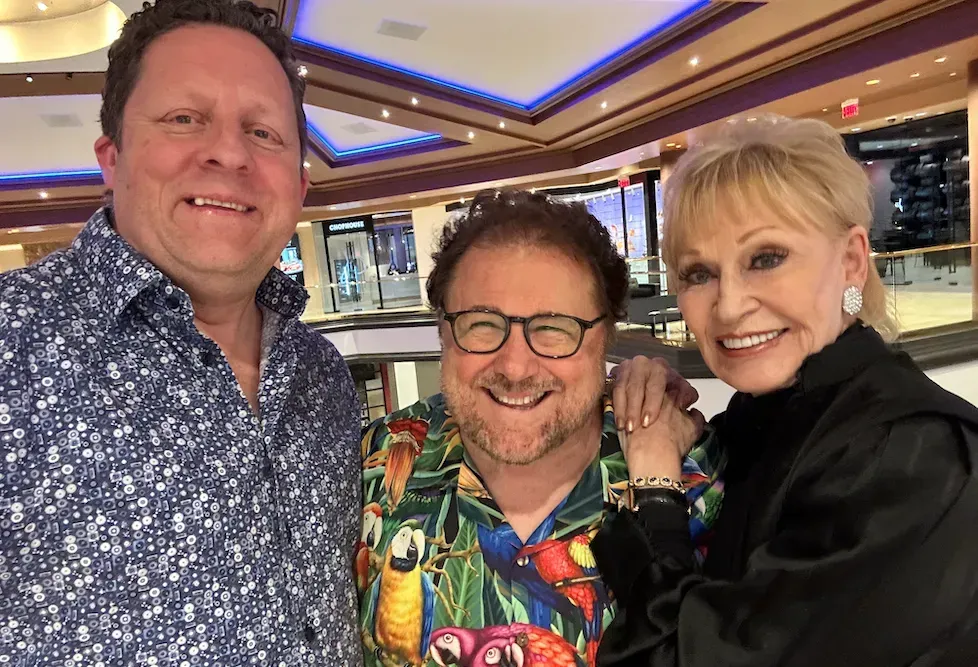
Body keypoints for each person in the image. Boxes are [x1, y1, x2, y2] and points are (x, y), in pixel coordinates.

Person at [0, 1, 363, 663]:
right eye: (184, 119)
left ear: (300, 185)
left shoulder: (324, 376)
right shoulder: (11, 346)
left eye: (264, 132)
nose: (227, 151)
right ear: (112, 158)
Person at [593, 116, 978, 666]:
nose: (728, 306)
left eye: (766, 259)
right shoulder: (768, 417)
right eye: (699, 274)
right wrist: (648, 390)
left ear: (851, 260)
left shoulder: (912, 458)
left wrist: (656, 488)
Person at [356, 189, 726, 667]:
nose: (515, 366)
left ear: (606, 337)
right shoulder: (379, 463)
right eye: (482, 324)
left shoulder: (700, 488)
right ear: (443, 333)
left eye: (555, 327)